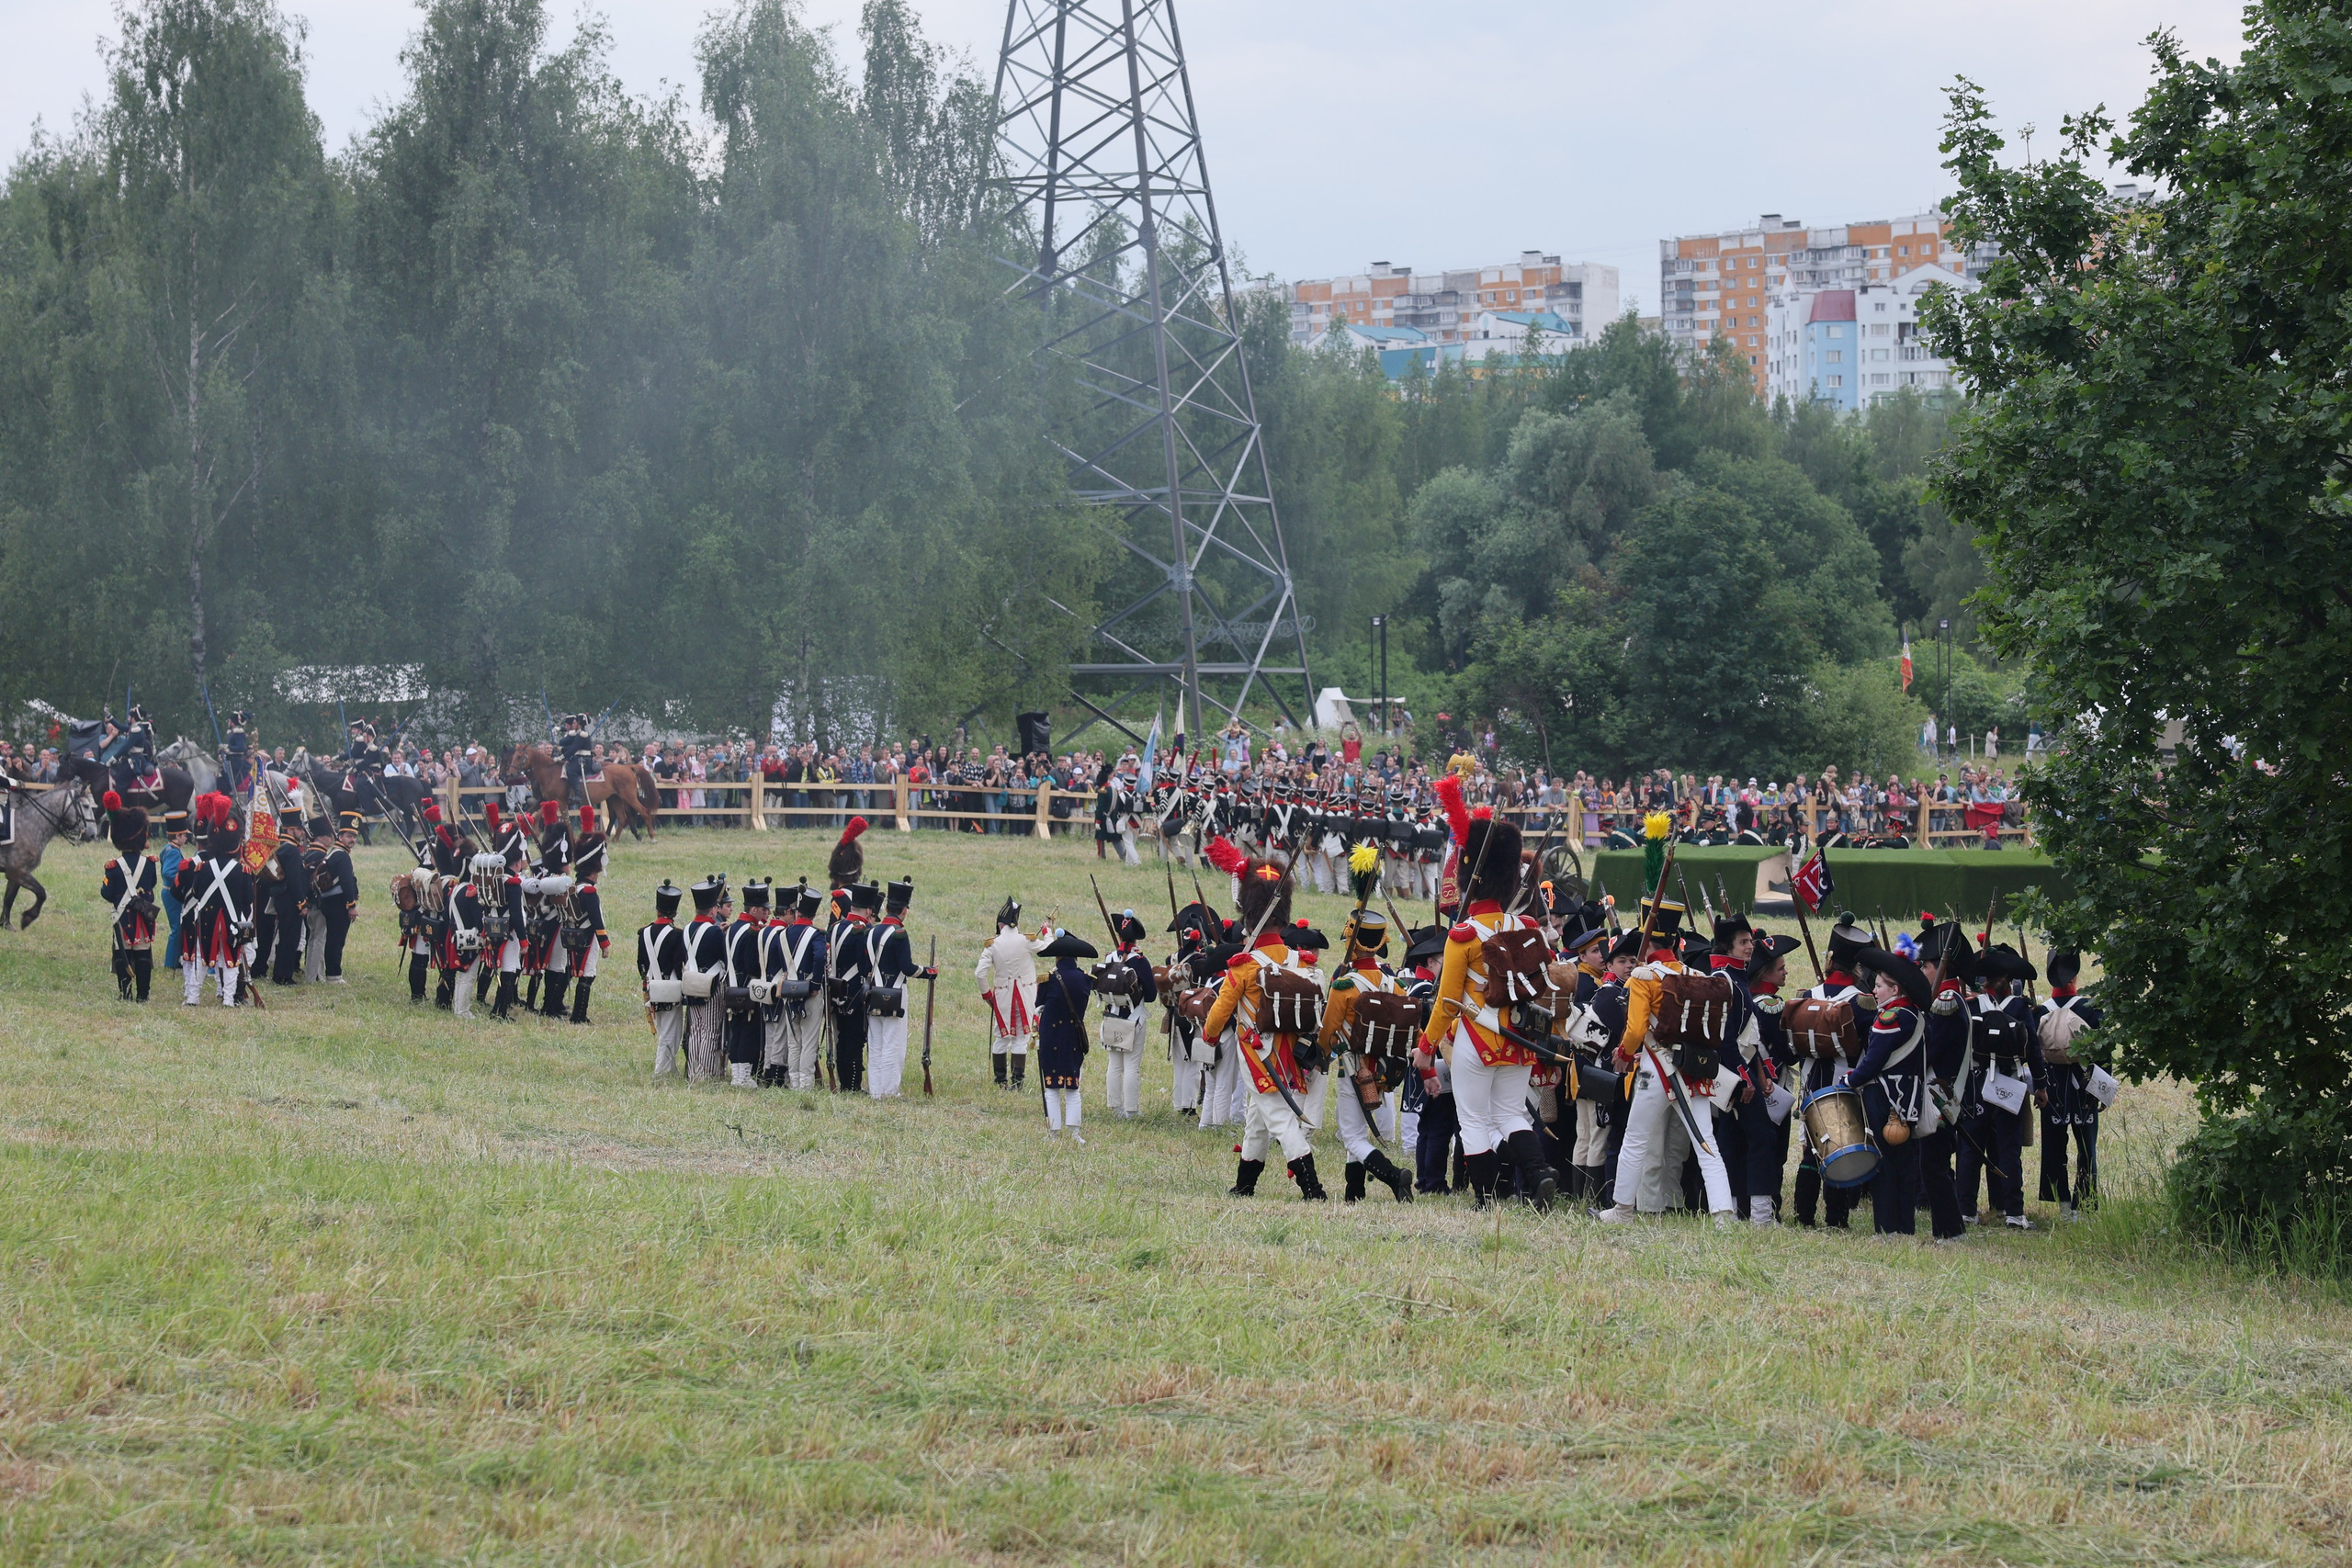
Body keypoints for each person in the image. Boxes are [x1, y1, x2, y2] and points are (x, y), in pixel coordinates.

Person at [1200, 834, 1328, 1200]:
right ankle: (1245, 1184)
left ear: (1249, 915)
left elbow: (1220, 1013)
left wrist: (1209, 1036)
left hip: (1259, 1052)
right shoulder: (1300, 961)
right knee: (1258, 1119)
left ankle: (1313, 1188)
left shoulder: (1245, 966)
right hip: (1291, 1049)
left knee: (1278, 1118)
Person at [1598, 897, 1736, 1225]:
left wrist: (1624, 1054)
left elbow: (1634, 1031)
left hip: (1655, 1067)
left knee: (1635, 1139)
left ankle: (1622, 1210)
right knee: (1706, 1142)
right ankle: (1723, 1214)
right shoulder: (1692, 973)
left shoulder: (1643, 976)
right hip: (1692, 1069)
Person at [1313, 900, 1415, 1203]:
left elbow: (1328, 1031)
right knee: (1355, 1131)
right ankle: (1354, 1191)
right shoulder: (1394, 983)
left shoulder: (1344, 985)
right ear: (1380, 941)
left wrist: (1321, 1056)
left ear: (1351, 940)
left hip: (1353, 1066)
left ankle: (1394, 1175)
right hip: (1383, 1068)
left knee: (1352, 1136)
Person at [1791, 915, 1875, 1229]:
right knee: (1840, 1151)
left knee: (1809, 1152)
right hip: (1845, 1081)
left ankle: (1803, 1217)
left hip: (1812, 1080)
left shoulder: (1808, 996)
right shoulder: (1862, 1002)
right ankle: (1837, 1220)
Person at [1846, 946, 1933, 1236]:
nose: (1875, 990)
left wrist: (1849, 1081)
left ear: (1895, 988)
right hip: (1907, 1099)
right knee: (1904, 1166)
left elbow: (1872, 1063)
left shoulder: (1891, 1017)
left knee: (1884, 1165)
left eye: (1880, 986)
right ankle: (1904, 1226)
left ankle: (1886, 1227)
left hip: (1884, 1098)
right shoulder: (1913, 1014)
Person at [1957, 942, 2042, 1230]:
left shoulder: (1970, 1006)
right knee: (2009, 1150)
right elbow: (2034, 1049)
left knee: (1970, 1149)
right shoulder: (2020, 1007)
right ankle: (2014, 1213)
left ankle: (1966, 1209)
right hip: (2010, 1082)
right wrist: (2040, 1085)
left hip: (1976, 1083)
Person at [2037, 950, 2104, 1216]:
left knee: (2053, 1146)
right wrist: (2101, 1088)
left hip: (2051, 1083)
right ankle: (2084, 1205)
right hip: (2084, 1082)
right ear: (2075, 976)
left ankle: (2062, 1203)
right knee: (2087, 1148)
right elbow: (2103, 1051)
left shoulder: (2041, 1011)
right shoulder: (2090, 1008)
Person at [173, 793, 254, 1007]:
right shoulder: (243, 871)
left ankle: (193, 998)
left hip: (207, 919)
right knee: (230, 961)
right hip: (231, 920)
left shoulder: (202, 868)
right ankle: (227, 1000)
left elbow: (197, 893)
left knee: (201, 958)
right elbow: (248, 898)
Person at [864, 878, 933, 1099]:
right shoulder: (899, 934)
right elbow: (908, 968)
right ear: (905, 910)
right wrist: (930, 971)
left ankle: (876, 1090)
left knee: (875, 1045)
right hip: (895, 993)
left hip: (874, 993)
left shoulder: (870, 932)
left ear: (886, 908)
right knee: (893, 1045)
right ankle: (889, 1091)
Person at [542, 807, 607, 1023]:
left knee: (576, 973)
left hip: (575, 935)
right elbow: (597, 920)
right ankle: (579, 1016)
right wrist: (605, 942)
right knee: (587, 975)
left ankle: (567, 1009)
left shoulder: (578, 886)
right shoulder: (588, 890)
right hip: (588, 938)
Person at [763, 882, 829, 1089]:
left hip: (790, 991)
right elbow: (819, 958)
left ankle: (794, 1081)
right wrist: (815, 983)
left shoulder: (784, 934)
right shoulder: (817, 934)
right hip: (810, 991)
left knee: (794, 1042)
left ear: (798, 911)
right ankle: (805, 1084)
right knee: (809, 1041)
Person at [1034, 929, 1097, 1140]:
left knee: (1051, 1087)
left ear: (1057, 956)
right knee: (1072, 1085)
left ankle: (1053, 1132)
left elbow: (1038, 1005)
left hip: (1051, 1037)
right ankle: (1075, 1132)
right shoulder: (1085, 980)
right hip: (1073, 1038)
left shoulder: (1049, 980)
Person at [96, 791, 159, 1002]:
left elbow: (106, 893)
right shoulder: (150, 864)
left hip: (122, 918)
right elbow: (152, 885)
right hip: (142, 918)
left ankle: (126, 994)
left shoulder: (113, 867)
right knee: (142, 954)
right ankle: (143, 995)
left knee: (123, 955)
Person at [1095, 910, 1158, 1119]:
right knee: (1131, 1067)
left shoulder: (1109, 957)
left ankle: (1115, 1108)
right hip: (1134, 1017)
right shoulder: (1140, 961)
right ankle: (1131, 1110)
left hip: (1112, 1016)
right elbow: (1150, 995)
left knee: (1114, 1065)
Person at [976, 898, 1037, 1089]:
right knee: (1021, 1037)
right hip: (1025, 996)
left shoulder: (993, 945)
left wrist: (988, 996)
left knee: (1001, 1037)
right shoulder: (1026, 941)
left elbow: (979, 974)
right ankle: (1017, 1082)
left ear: (1000, 924)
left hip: (1002, 997)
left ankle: (1000, 1081)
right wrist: (1048, 932)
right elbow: (1049, 948)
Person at [826, 882, 877, 1092]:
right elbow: (866, 964)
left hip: (836, 989)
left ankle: (844, 1080)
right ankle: (853, 1084)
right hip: (855, 992)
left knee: (841, 1039)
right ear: (867, 910)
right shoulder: (864, 931)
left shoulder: (835, 927)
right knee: (855, 1040)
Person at [722, 879, 771, 1089]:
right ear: (753, 909)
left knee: (737, 1030)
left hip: (732, 985)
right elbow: (752, 964)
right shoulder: (752, 932)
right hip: (747, 987)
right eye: (763, 910)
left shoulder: (733, 928)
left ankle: (737, 1075)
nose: (766, 914)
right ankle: (744, 1076)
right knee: (749, 1032)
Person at [681, 876, 730, 1079]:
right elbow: (724, 958)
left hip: (692, 983)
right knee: (710, 1032)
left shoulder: (686, 929)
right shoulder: (713, 932)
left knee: (695, 1031)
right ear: (713, 910)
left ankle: (693, 1072)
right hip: (711, 984)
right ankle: (706, 1074)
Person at [639, 881, 689, 1077]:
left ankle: (669, 1067)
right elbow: (680, 963)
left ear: (657, 909)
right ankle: (661, 1071)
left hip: (652, 985)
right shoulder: (677, 935)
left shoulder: (643, 933)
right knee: (670, 1032)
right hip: (671, 985)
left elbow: (640, 963)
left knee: (664, 1029)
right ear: (674, 913)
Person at [312, 812, 359, 985]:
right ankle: (334, 975)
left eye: (354, 836)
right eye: (348, 835)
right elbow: (346, 882)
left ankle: (332, 973)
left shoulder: (334, 852)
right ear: (340, 836)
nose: (352, 839)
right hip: (339, 903)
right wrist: (351, 905)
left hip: (330, 901)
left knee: (333, 938)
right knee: (336, 940)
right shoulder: (342, 855)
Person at [158, 807, 190, 974]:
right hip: (172, 893)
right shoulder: (173, 852)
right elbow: (168, 873)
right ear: (177, 836)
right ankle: (170, 962)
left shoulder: (170, 849)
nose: (186, 838)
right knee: (176, 928)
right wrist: (182, 877)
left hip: (171, 893)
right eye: (184, 835)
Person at [559, 713, 595, 807]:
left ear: (579, 724)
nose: (573, 725)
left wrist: (561, 756)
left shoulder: (582, 735)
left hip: (584, 760)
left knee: (571, 772)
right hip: (578, 758)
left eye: (575, 723)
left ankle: (578, 795)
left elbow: (574, 748)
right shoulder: (577, 734)